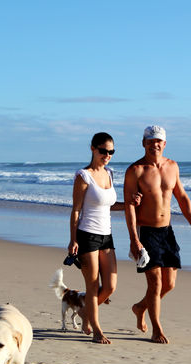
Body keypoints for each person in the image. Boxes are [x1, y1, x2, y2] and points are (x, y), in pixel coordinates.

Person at [124, 125, 191, 344]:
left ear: (164, 144)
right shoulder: (135, 170)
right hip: (146, 231)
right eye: (150, 141)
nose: (154, 145)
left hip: (167, 231)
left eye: (158, 141)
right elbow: (130, 207)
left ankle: (140, 307)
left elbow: (182, 197)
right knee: (155, 284)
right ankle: (156, 329)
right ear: (143, 143)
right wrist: (134, 239)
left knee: (169, 284)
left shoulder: (172, 166)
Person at [68, 132, 134, 344]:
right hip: (87, 235)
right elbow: (76, 210)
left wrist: (129, 204)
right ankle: (96, 329)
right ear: (93, 149)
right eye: (103, 151)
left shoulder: (109, 173)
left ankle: (85, 314)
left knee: (110, 286)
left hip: (107, 236)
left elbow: (108, 204)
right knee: (93, 286)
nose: (107, 155)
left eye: (111, 152)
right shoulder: (83, 176)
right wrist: (73, 239)